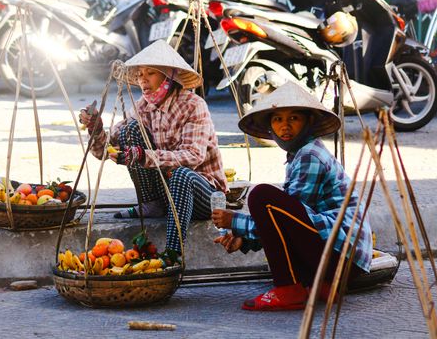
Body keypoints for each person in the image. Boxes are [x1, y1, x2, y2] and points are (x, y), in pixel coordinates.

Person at [212, 81, 373, 311]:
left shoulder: (310, 155)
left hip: (343, 255)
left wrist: (235, 222)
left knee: (261, 196)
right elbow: (284, 223)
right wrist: (243, 239)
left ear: (308, 122)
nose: (284, 126)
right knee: (268, 202)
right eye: (277, 119)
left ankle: (288, 288)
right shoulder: (299, 155)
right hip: (339, 256)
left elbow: (289, 220)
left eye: (293, 118)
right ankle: (318, 284)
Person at [79, 39, 228, 255]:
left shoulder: (193, 105)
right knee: (131, 129)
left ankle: (173, 254)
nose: (143, 80)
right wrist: (96, 127)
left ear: (168, 76)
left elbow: (193, 156)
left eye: (150, 73)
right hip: (166, 192)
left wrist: (143, 155)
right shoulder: (143, 107)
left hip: (202, 193)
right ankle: (152, 203)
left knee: (180, 175)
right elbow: (105, 150)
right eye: (139, 74)